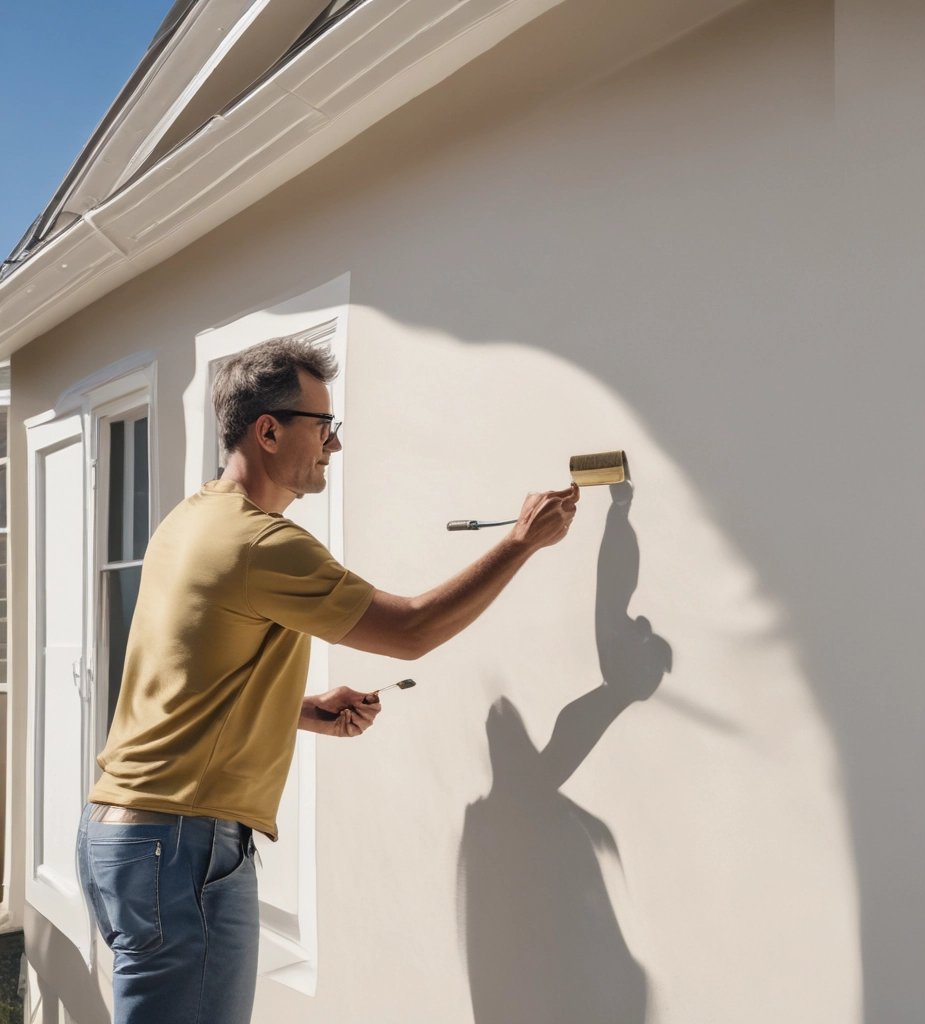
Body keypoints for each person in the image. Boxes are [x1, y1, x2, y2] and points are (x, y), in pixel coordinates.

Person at [76, 337, 579, 1024]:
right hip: (180, 846)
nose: (333, 448)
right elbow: (411, 631)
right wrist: (521, 541)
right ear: (269, 429)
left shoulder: (189, 520)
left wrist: (304, 710)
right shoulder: (263, 544)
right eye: (325, 427)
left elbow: (188, 687)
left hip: (124, 836)